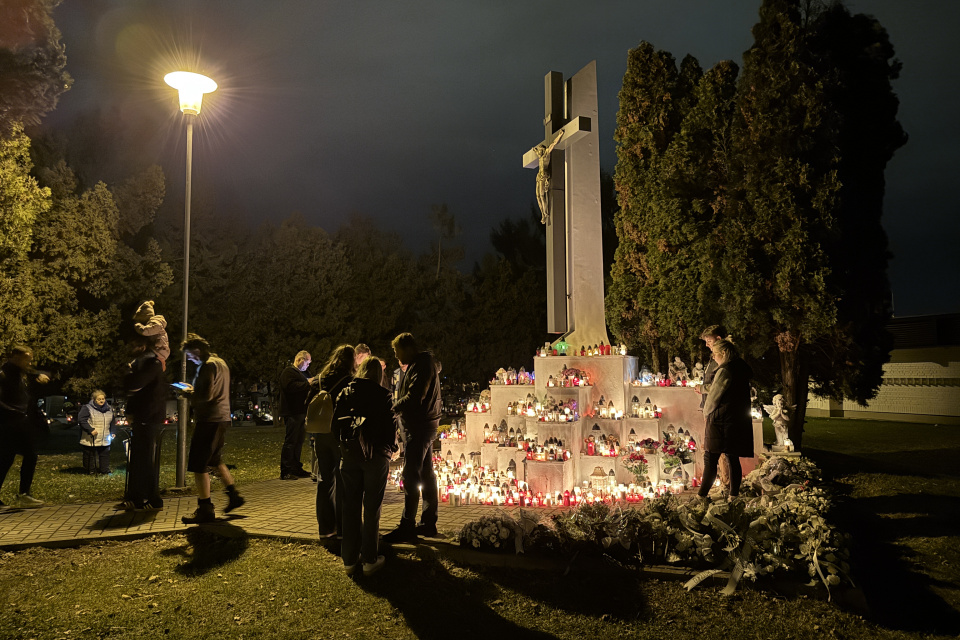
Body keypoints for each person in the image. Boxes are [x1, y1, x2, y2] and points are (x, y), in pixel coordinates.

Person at [335, 357, 399, 576]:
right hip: (376, 455)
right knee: (372, 508)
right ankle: (370, 559)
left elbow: (336, 423)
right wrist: (391, 449)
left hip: (350, 454)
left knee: (350, 507)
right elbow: (390, 427)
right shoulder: (383, 395)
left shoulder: (346, 392)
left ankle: (349, 560)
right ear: (377, 375)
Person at [178, 334, 245, 524]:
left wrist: (187, 393)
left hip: (209, 419)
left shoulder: (207, 366)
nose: (190, 359)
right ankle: (233, 495)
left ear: (197, 350)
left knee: (199, 465)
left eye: (190, 355)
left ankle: (205, 508)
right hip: (222, 418)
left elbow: (205, 396)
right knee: (215, 459)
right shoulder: (221, 363)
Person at [383, 333, 441, 542]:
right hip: (423, 425)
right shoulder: (422, 364)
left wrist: (391, 408)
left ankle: (407, 525)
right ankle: (427, 523)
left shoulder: (421, 365)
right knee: (426, 474)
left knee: (410, 474)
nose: (396, 356)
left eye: (397, 351)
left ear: (407, 348)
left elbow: (415, 396)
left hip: (420, 427)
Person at [698, 339, 754, 501]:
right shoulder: (740, 368)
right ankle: (733, 496)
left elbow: (715, 395)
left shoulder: (725, 370)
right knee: (732, 457)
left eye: (715, 354)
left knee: (710, 458)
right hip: (735, 419)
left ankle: (702, 496)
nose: (713, 357)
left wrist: (707, 413)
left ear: (723, 353)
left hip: (720, 420)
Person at [313, 345, 356, 539]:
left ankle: (325, 528)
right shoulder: (349, 380)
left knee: (324, 479)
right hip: (339, 433)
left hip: (321, 432)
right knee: (342, 480)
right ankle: (342, 527)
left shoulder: (320, 379)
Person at [0, 345, 50, 508]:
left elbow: (32, 374)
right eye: (26, 359)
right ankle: (24, 494)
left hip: (18, 421)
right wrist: (14, 411)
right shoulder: (4, 374)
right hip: (11, 422)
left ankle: (24, 494)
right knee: (28, 454)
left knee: (7, 459)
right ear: (16, 357)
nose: (29, 363)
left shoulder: (20, 373)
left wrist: (40, 375)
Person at [122, 335, 166, 511]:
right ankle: (136, 497)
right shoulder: (142, 364)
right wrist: (130, 411)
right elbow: (135, 392)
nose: (132, 348)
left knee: (146, 459)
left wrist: (129, 373)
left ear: (142, 346)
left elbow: (134, 386)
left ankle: (153, 498)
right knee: (138, 458)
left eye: (135, 344)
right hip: (142, 417)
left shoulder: (151, 364)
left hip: (150, 417)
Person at [278, 350, 315, 479]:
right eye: (307, 362)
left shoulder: (304, 373)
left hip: (302, 412)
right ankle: (286, 470)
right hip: (292, 412)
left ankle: (296, 467)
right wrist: (307, 383)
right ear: (300, 360)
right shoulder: (288, 372)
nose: (308, 365)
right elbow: (290, 387)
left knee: (299, 441)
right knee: (291, 441)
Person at [77, 390, 116, 475]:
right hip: (91, 437)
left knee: (105, 454)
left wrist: (112, 432)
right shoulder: (87, 408)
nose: (101, 400)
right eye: (99, 399)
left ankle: (104, 470)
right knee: (90, 455)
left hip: (104, 437)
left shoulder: (109, 409)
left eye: (103, 399)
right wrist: (90, 430)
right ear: (94, 400)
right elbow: (81, 420)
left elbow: (112, 422)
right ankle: (90, 470)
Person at [696, 325, 727, 409]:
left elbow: (720, 386)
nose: (706, 345)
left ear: (718, 339)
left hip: (717, 408)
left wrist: (703, 388)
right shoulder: (714, 358)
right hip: (710, 407)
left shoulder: (723, 359)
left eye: (709, 341)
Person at [133, 300, 170, 370]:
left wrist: (137, 325)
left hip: (159, 351)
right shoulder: (153, 324)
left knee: (143, 359)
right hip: (158, 350)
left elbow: (145, 331)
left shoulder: (155, 323)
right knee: (139, 360)